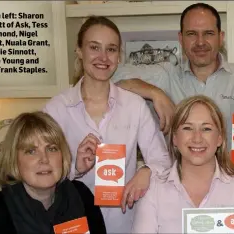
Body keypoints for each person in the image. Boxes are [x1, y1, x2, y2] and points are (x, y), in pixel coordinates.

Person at [43, 16, 171, 233]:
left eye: (111, 49)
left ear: (119, 56)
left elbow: (162, 161)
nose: (103, 57)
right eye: (94, 47)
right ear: (79, 51)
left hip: (125, 222)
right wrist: (76, 167)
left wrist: (147, 171)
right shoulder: (56, 109)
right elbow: (40, 170)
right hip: (72, 222)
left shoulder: (134, 106)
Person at [112, 3, 234, 137]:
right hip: (179, 178)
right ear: (181, 39)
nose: (200, 42)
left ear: (220, 38)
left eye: (208, 33)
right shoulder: (165, 76)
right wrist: (155, 93)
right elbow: (111, 74)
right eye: (192, 34)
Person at [131, 95, 234, 233]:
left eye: (206, 129)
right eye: (187, 128)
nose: (197, 138)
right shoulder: (154, 190)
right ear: (174, 138)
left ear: (220, 138)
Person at [0, 112, 106, 234]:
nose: (44, 159)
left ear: (62, 155)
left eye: (51, 148)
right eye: (31, 151)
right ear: (14, 160)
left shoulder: (83, 196)